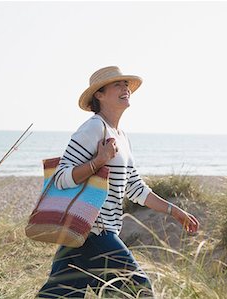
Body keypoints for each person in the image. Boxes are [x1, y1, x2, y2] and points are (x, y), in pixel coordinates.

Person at [38, 66, 200, 298]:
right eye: (117, 85)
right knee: (139, 290)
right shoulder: (93, 128)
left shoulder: (122, 136)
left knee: (58, 296)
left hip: (87, 234)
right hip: (95, 231)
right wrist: (99, 161)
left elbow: (135, 188)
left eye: (126, 84)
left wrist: (174, 211)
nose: (125, 88)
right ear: (99, 95)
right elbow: (61, 179)